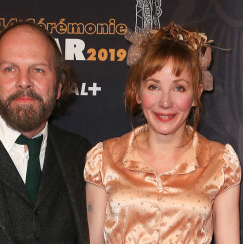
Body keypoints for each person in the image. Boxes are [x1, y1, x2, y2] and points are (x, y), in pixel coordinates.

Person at [84, 22, 241, 243]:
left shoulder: (220, 163)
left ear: (196, 94)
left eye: (179, 88)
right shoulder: (103, 160)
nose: (165, 102)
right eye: (154, 87)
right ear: (137, 92)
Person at [0, 21, 91, 243]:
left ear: (59, 86)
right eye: (10, 69)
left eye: (38, 69)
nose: (24, 82)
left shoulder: (81, 156)